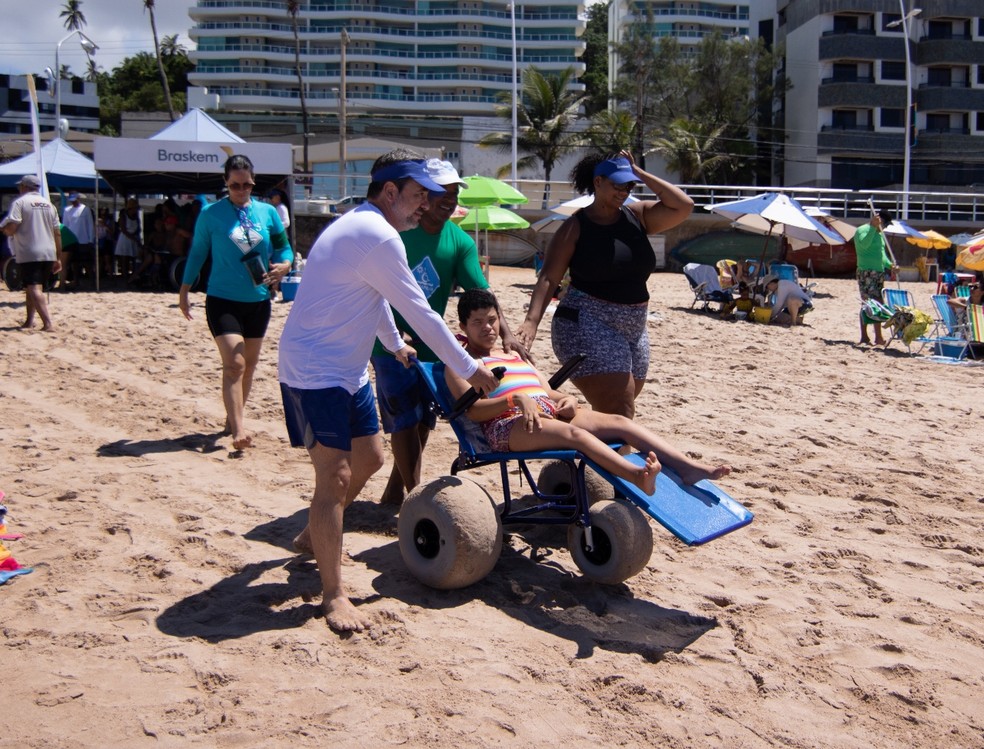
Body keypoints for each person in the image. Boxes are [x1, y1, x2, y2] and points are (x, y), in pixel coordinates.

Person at [278, 150, 499, 633]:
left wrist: (393, 343)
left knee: (373, 459)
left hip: (348, 368)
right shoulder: (376, 233)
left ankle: (315, 532)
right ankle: (333, 594)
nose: (426, 204)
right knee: (334, 478)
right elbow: (420, 309)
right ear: (390, 191)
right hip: (316, 371)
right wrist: (468, 366)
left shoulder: (369, 227)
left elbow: (371, 293)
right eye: (419, 195)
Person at [447, 289, 731, 494]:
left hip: (545, 412)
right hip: (507, 425)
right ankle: (636, 475)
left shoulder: (513, 356)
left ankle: (686, 467)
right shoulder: (461, 363)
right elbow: (472, 411)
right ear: (463, 327)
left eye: (493, 320)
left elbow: (547, 392)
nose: (488, 327)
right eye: (478, 322)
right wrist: (513, 399)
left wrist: (567, 400)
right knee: (576, 436)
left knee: (621, 423)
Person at [369, 158, 529, 506]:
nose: (449, 200)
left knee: (425, 420)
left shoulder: (459, 241)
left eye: (455, 194)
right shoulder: (396, 229)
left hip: (433, 345)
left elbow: (481, 294)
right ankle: (415, 499)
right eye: (443, 192)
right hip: (389, 343)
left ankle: (397, 492)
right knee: (403, 421)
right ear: (423, 193)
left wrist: (506, 334)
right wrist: (394, 333)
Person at [516, 151, 694, 419]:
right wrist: (531, 322)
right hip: (587, 321)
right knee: (620, 408)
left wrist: (639, 172)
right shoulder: (575, 227)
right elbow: (549, 278)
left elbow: (683, 205)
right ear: (597, 182)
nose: (623, 191)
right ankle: (618, 461)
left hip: (634, 327)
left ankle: (584, 446)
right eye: (617, 184)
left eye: (629, 185)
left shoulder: (639, 216)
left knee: (619, 406)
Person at [179, 154, 294, 450]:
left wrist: (285, 264)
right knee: (234, 364)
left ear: (254, 183)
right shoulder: (211, 214)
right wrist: (185, 289)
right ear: (226, 183)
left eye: (247, 185)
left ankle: (233, 417)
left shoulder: (267, 213)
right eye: (235, 185)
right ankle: (238, 430)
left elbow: (283, 247)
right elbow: (197, 253)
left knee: (250, 365)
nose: (242, 191)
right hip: (222, 299)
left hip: (259, 300)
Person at [0, 174, 62, 331]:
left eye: (20, 186)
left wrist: (4, 230)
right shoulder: (49, 205)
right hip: (48, 251)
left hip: (30, 251)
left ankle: (48, 323)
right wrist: (58, 258)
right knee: (32, 287)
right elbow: (57, 233)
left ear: (24, 187)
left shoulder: (20, 203)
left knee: (34, 288)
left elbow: (13, 226)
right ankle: (29, 321)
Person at [854, 210, 896, 345]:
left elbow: (882, 256)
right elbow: (863, 245)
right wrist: (872, 227)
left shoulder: (880, 235)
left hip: (878, 273)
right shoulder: (863, 230)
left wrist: (890, 266)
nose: (885, 228)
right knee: (870, 303)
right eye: (886, 225)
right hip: (866, 272)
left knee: (877, 304)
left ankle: (876, 337)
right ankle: (867, 336)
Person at [61, 192, 95, 289]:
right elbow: (65, 226)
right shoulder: (67, 210)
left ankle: (92, 282)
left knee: (87, 262)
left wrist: (90, 239)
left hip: (84, 240)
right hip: (72, 240)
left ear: (78, 198)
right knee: (74, 263)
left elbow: (90, 225)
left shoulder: (85, 209)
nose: (73, 202)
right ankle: (76, 281)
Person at [114, 198, 142, 280]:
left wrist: (136, 236)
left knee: (134, 259)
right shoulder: (124, 216)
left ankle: (133, 276)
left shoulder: (136, 217)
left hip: (134, 238)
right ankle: (125, 277)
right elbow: (123, 230)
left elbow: (139, 228)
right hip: (125, 239)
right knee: (124, 259)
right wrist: (133, 237)